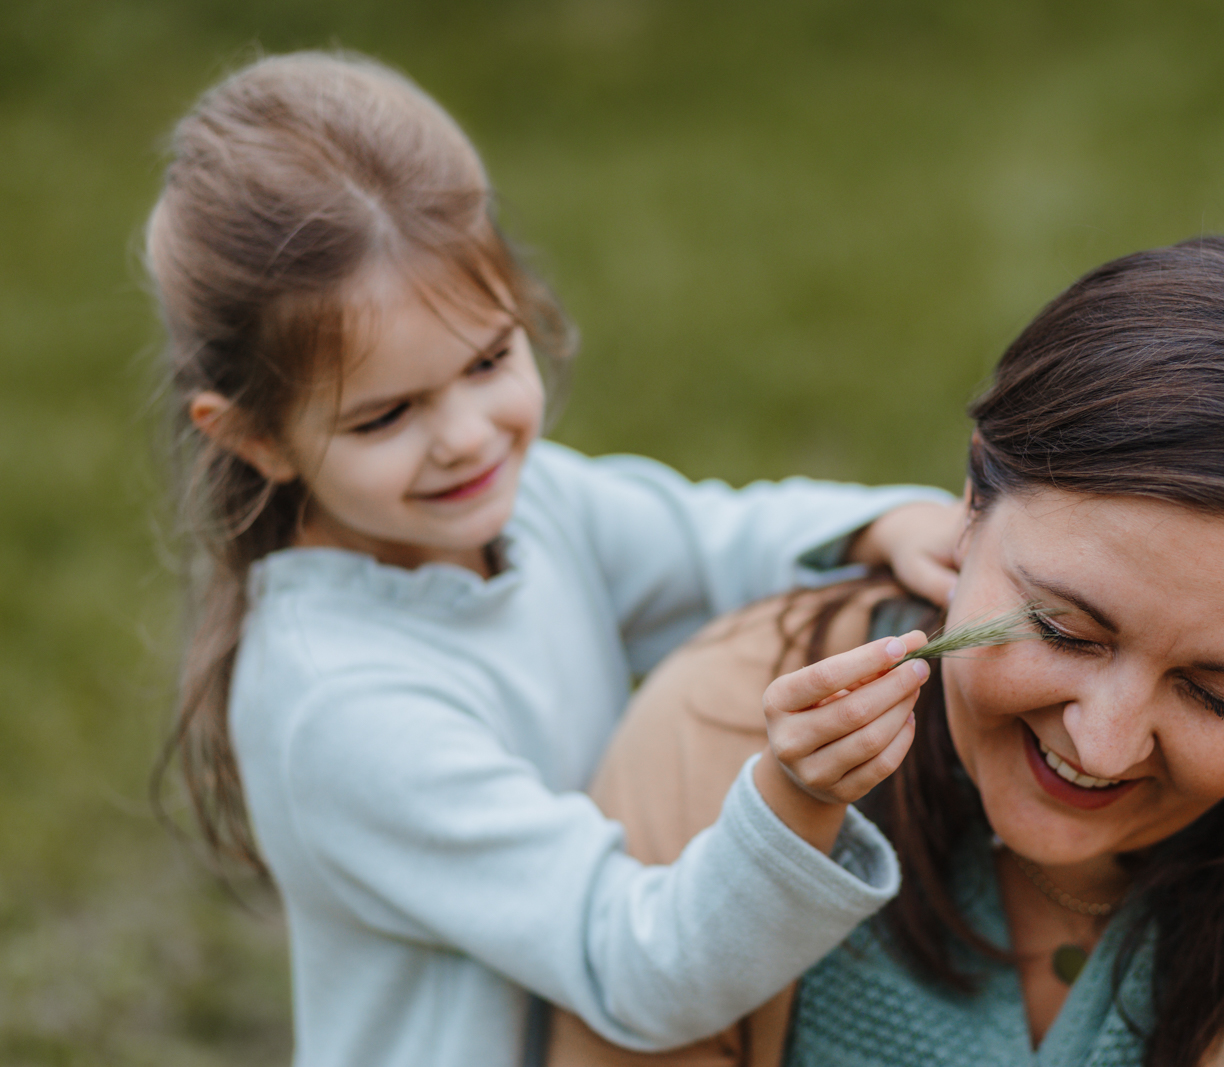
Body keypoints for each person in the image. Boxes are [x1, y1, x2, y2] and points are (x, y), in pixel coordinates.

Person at [546, 236, 1224, 1066]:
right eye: (1062, 628)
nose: (1099, 742)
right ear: (968, 502)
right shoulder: (728, 725)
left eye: (1217, 691)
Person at [145, 50, 963, 1067]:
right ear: (254, 437)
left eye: (488, 359)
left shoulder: (532, 504)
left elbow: (714, 541)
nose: (466, 437)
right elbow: (635, 964)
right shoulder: (341, 705)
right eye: (386, 414)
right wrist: (798, 797)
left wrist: (878, 525)